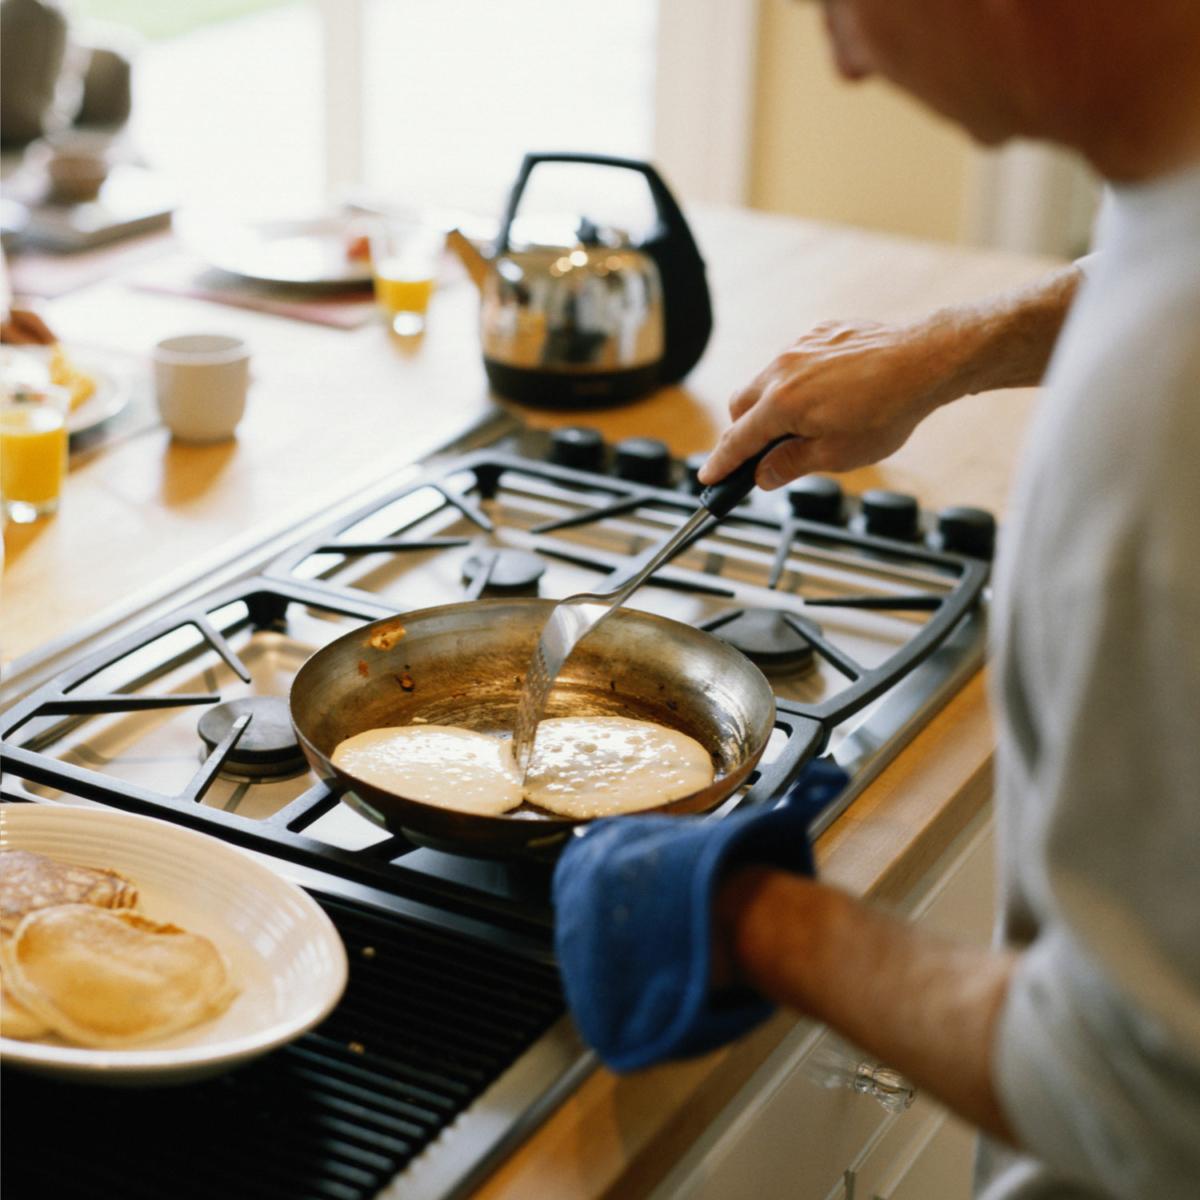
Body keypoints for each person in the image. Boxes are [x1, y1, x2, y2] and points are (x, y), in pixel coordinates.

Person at [551, 3, 1200, 1198]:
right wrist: (963, 343)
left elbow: (1154, 1098)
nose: (843, 62)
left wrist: (745, 912)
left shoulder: (1164, 422)